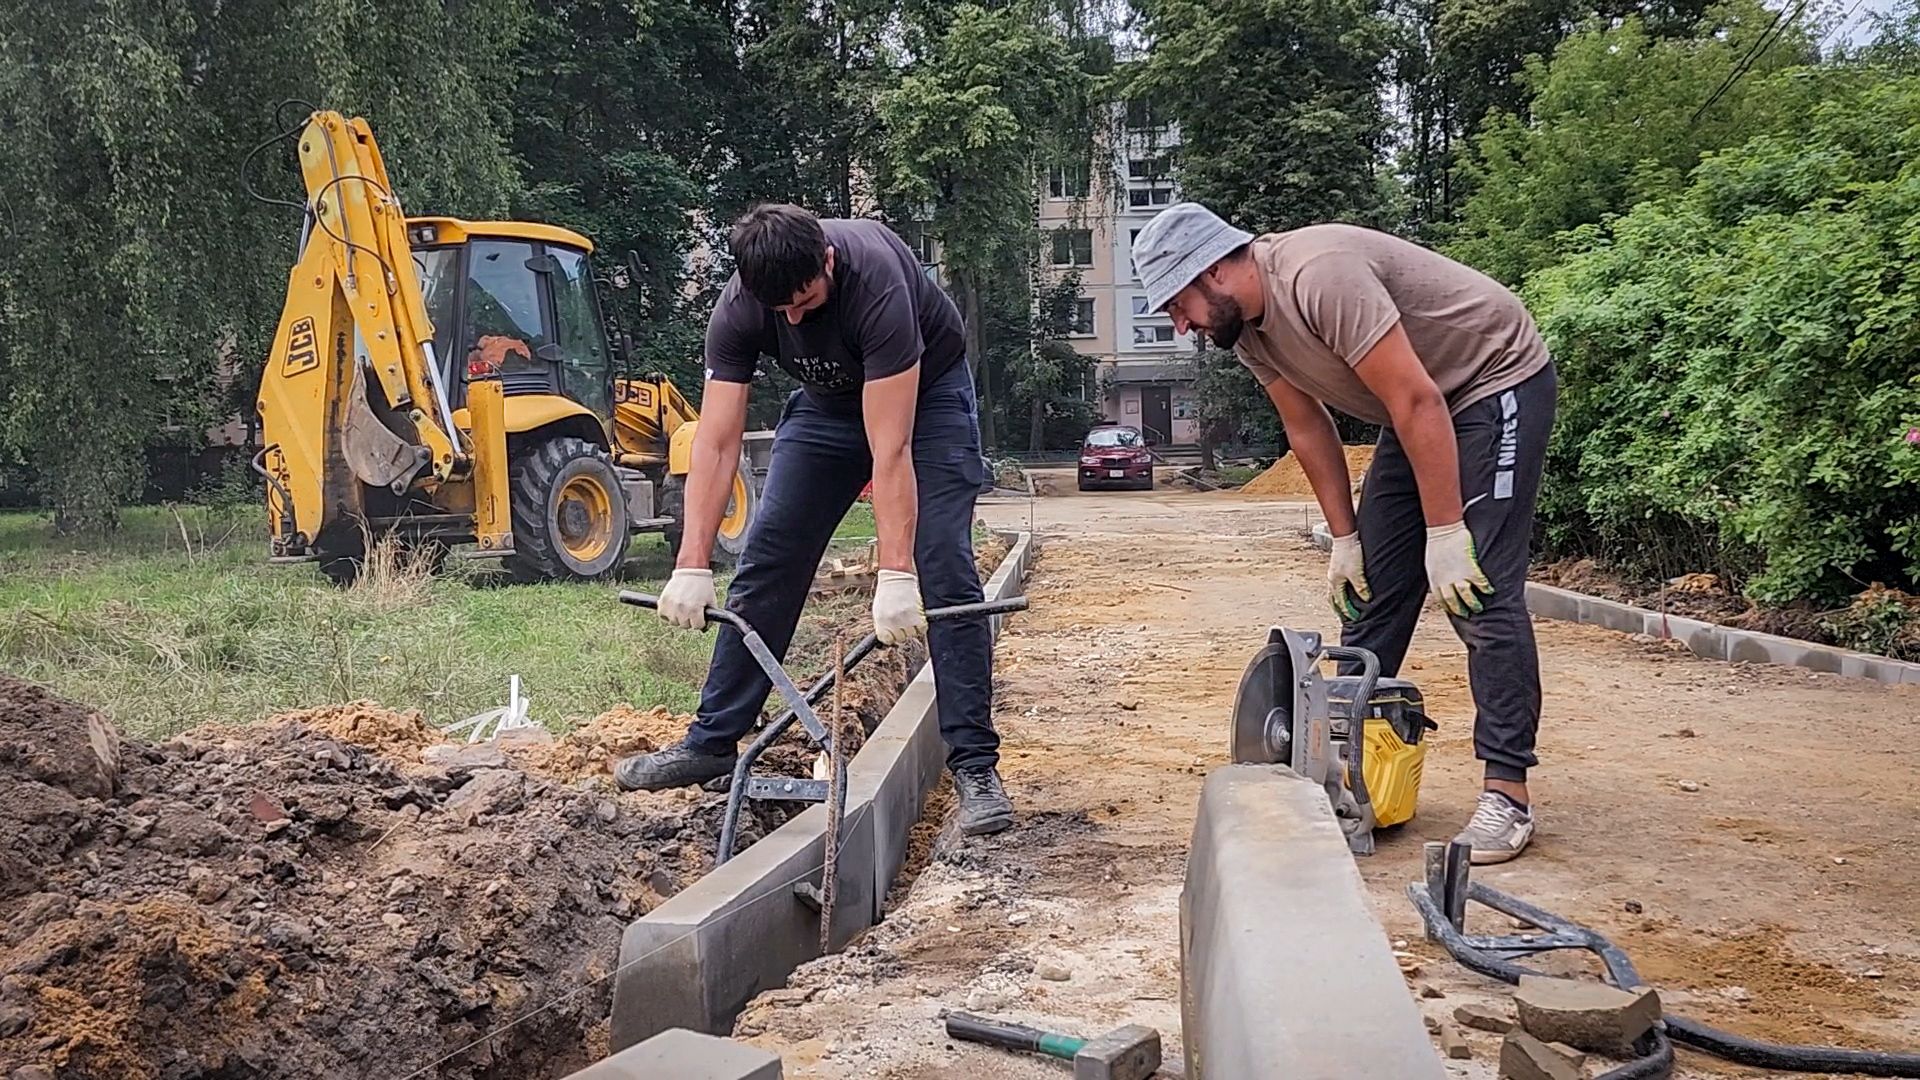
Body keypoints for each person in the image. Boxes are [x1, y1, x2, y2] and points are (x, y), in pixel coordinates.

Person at [1132, 203, 1557, 864]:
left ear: (1212, 267)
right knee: (1373, 590)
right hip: (1415, 404)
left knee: (1477, 587)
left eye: (1178, 304)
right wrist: (1346, 539)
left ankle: (1508, 793)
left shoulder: (1318, 275)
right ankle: (1343, 773)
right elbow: (1307, 428)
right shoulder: (1246, 333)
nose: (1180, 323)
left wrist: (1446, 531)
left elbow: (1418, 398)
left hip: (1491, 380)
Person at [613, 204, 1014, 837]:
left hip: (926, 401)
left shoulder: (876, 282)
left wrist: (894, 572)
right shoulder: (742, 305)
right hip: (828, 410)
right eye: (782, 311)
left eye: (805, 301)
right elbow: (716, 444)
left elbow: (892, 449)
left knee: (942, 563)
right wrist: (690, 562)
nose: (795, 319)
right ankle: (713, 740)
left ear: (826, 260)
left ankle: (973, 766)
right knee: (771, 555)